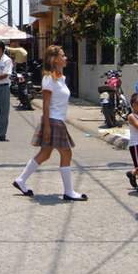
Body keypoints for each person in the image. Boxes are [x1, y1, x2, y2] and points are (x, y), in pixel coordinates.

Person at [12, 45, 87, 201]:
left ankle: (21, 180)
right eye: (63, 55)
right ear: (55, 59)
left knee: (45, 154)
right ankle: (69, 191)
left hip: (57, 119)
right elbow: (45, 104)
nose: (66, 58)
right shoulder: (49, 78)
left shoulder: (61, 78)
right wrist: (47, 127)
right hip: (53, 120)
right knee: (66, 153)